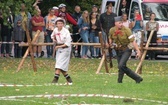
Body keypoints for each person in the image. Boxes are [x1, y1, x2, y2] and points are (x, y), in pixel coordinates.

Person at [109, 16, 143, 83]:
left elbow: (133, 41)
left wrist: (138, 51)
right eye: (119, 23)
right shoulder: (112, 30)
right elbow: (110, 37)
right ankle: (119, 82)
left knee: (121, 65)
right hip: (118, 49)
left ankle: (137, 77)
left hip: (126, 49)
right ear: (115, 23)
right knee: (121, 67)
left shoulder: (127, 30)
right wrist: (110, 43)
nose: (121, 24)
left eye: (121, 23)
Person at [51, 18, 72, 85]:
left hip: (65, 49)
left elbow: (67, 43)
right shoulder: (55, 30)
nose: (60, 25)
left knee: (59, 64)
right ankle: (68, 78)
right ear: (56, 24)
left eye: (61, 23)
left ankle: (55, 79)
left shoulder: (66, 32)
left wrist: (59, 46)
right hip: (59, 49)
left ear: (63, 24)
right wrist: (54, 40)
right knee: (60, 64)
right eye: (58, 23)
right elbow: (52, 36)